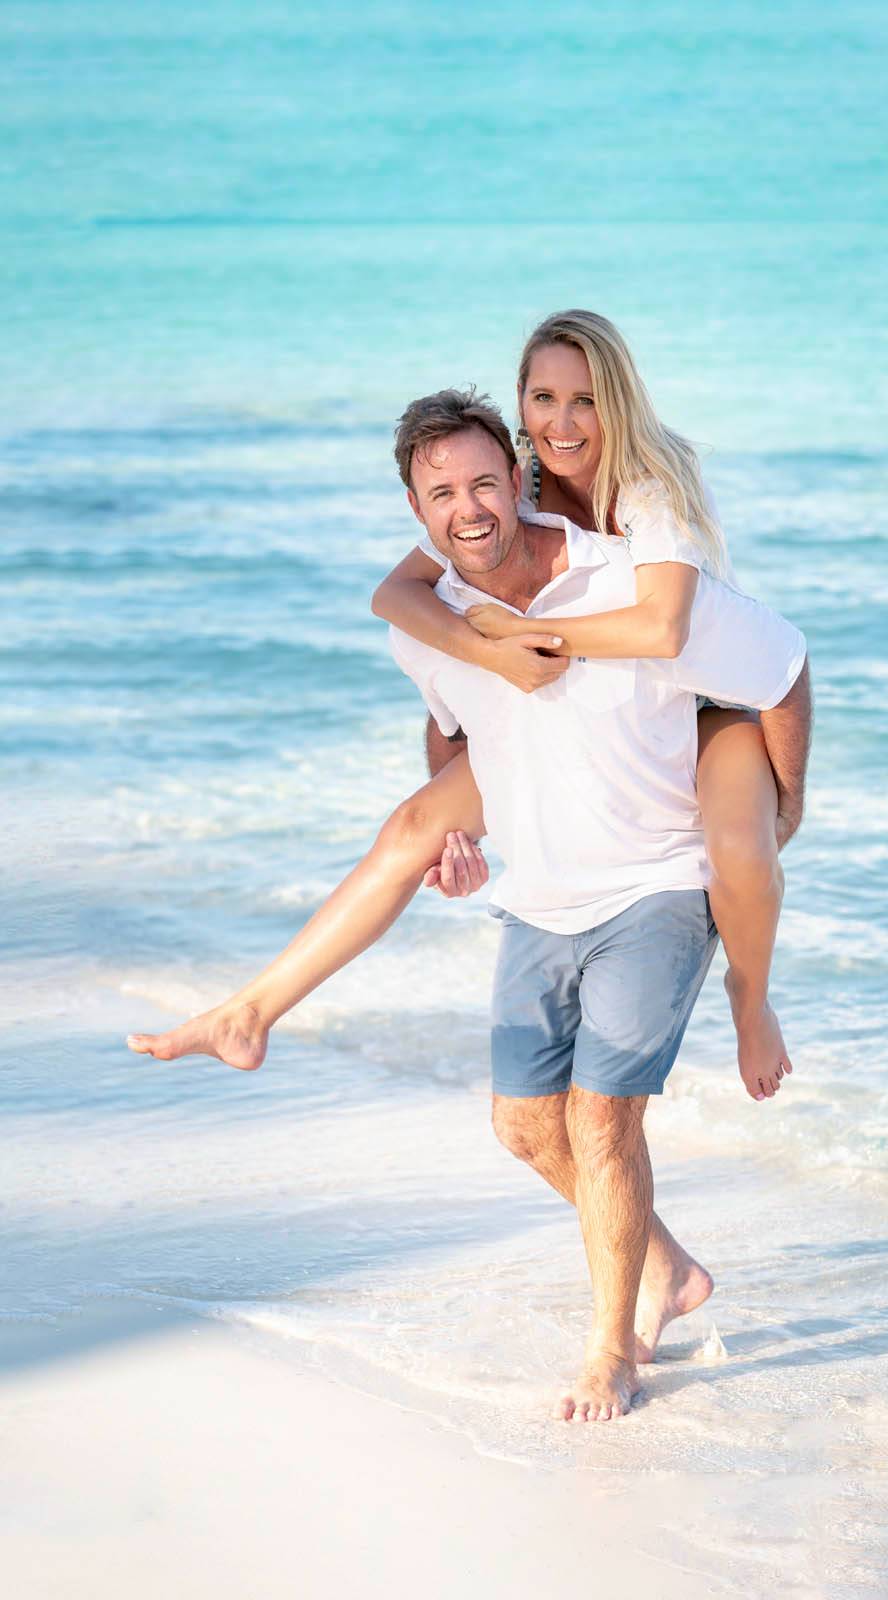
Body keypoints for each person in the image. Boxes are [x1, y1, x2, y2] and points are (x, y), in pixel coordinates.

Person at [130, 389, 812, 1421]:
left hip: (657, 887)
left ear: (518, 478)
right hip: (541, 897)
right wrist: (459, 840)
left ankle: (609, 1351)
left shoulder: (623, 583)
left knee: (599, 1117)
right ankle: (665, 1270)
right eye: (440, 493)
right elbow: (449, 741)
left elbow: (777, 662)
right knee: (523, 1126)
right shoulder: (431, 623)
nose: (468, 508)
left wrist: (774, 807)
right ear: (416, 511)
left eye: (484, 482)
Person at [371, 311, 802, 1103]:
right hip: (600, 695)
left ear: (618, 402)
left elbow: (664, 628)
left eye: (585, 400)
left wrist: (524, 633)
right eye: (542, 398)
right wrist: (486, 651)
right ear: (520, 404)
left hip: (705, 695)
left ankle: (750, 998)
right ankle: (257, 1007)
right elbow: (397, 596)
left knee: (741, 852)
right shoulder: (508, 484)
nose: (561, 423)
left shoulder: (649, 481)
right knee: (412, 827)